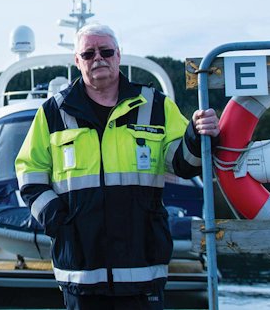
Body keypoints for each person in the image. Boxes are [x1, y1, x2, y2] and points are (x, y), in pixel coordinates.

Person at [15, 23, 219, 310]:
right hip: (80, 271)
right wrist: (58, 221)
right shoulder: (52, 113)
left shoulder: (156, 106)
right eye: (88, 54)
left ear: (118, 55)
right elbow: (29, 172)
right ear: (77, 61)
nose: (98, 58)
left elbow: (183, 164)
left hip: (143, 268)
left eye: (106, 51)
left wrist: (197, 135)